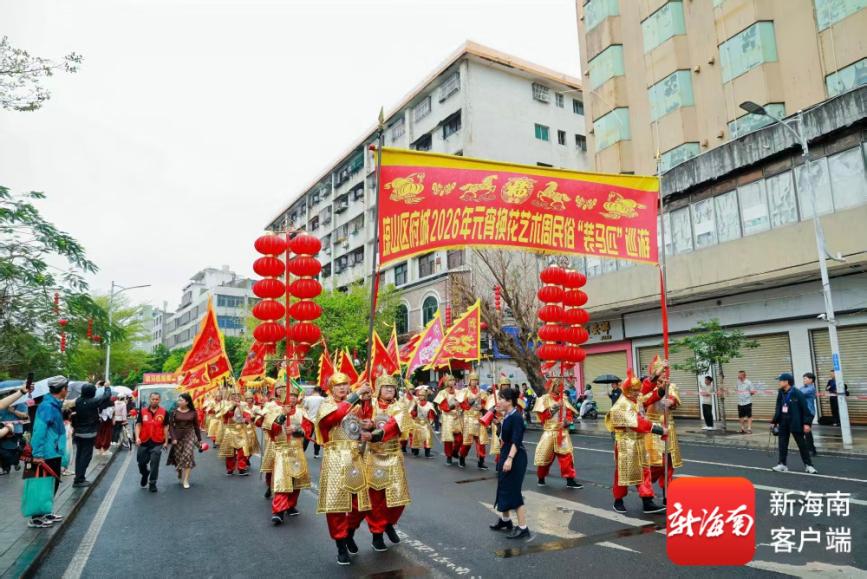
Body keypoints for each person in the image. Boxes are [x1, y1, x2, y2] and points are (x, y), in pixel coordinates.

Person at [315, 372, 373, 566]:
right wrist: (356, 394)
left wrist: (367, 425)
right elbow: (335, 417)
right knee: (337, 507)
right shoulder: (326, 405)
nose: (342, 388)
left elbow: (362, 426)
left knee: (362, 503)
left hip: (355, 457)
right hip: (335, 458)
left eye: (345, 385)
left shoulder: (355, 405)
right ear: (331, 389)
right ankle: (340, 545)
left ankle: (349, 532)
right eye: (338, 385)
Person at [605, 371, 667, 514]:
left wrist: (660, 384)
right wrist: (658, 430)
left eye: (637, 391)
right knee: (623, 473)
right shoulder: (621, 405)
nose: (637, 393)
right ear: (627, 391)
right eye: (634, 391)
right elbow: (637, 423)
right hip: (625, 442)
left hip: (639, 441)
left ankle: (647, 501)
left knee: (644, 471)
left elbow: (647, 393)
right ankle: (618, 500)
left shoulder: (635, 398)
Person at [362, 375, 411, 552]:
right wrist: (363, 405)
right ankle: (377, 534)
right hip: (373, 456)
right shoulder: (369, 404)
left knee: (399, 497)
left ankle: (389, 522)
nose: (390, 389)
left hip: (393, 455)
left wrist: (375, 433)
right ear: (378, 389)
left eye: (392, 387)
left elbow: (394, 426)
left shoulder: (400, 406)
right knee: (376, 497)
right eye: (386, 387)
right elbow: (355, 420)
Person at [266, 387, 312, 525]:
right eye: (289, 395)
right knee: (282, 481)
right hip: (281, 450)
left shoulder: (301, 411)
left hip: (297, 449)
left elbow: (308, 430)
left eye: (294, 395)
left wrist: (297, 430)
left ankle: (291, 505)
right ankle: (278, 511)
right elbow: (271, 431)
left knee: (296, 481)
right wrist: (281, 416)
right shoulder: (275, 411)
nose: (292, 398)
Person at [489, 387, 530, 539]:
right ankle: (505, 520)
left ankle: (523, 527)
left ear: (509, 401)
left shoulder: (516, 417)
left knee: (513, 490)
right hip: (506, 453)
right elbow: (505, 435)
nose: (498, 401)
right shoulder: (507, 415)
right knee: (503, 487)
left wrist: (510, 459)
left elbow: (516, 440)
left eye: (501, 399)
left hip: (515, 457)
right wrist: (498, 424)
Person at [28, 376, 69, 528]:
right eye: (67, 388)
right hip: (44, 453)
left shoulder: (54, 404)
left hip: (53, 451)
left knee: (50, 484)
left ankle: (45, 511)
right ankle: (36, 517)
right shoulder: (47, 406)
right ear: (63, 389)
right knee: (40, 485)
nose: (68, 390)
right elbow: (39, 431)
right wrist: (37, 454)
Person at [640, 358, 681, 505]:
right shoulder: (647, 387)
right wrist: (660, 392)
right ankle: (647, 497)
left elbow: (675, 398)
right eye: (661, 371)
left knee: (669, 464)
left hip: (668, 426)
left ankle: (668, 496)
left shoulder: (671, 385)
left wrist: (671, 401)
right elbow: (644, 400)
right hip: (653, 428)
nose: (664, 374)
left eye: (665, 370)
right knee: (653, 465)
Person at [533, 378, 582, 489]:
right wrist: (555, 407)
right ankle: (541, 478)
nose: (560, 387)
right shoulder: (544, 399)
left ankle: (570, 480)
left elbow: (569, 414)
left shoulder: (564, 398)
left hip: (562, 433)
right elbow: (543, 417)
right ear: (552, 386)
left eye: (561, 385)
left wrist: (567, 422)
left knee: (567, 457)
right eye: (558, 385)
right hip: (549, 432)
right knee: (544, 458)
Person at [772, 373, 817, 474]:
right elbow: (778, 407)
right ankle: (782, 464)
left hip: (795, 422)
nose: (779, 382)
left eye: (780, 380)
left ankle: (808, 465)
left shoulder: (797, 393)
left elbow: (805, 409)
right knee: (782, 444)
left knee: (801, 444)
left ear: (786, 382)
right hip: (783, 422)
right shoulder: (781, 392)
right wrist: (774, 421)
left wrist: (807, 423)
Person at [71, 381, 112, 487]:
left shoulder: (78, 401)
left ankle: (78, 477)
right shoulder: (93, 402)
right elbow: (106, 396)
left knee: (79, 456)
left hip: (78, 433)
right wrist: (107, 387)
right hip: (89, 433)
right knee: (86, 456)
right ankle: (79, 479)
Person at [166, 393, 203, 489]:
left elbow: (196, 427)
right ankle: (179, 469)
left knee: (187, 455)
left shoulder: (193, 413)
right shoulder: (174, 412)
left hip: (189, 435)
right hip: (177, 436)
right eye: (178, 400)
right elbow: (170, 426)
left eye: (181, 400)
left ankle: (185, 480)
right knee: (178, 456)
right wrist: (173, 438)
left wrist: (199, 440)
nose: (179, 402)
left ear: (187, 402)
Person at [135, 392, 168, 492]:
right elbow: (138, 425)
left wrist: (166, 441)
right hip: (144, 441)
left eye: (157, 399)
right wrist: (137, 437)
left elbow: (166, 427)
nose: (154, 401)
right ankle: (145, 473)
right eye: (153, 399)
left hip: (157, 441)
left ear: (159, 400)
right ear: (150, 399)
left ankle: (152, 482)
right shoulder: (143, 411)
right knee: (141, 463)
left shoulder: (164, 412)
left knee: (155, 462)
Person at [458, 372, 488, 470]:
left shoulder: (482, 392)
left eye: (476, 380)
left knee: (481, 441)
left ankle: (481, 461)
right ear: (469, 381)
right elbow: (462, 405)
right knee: (467, 442)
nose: (474, 382)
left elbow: (485, 404)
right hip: (468, 418)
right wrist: (471, 401)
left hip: (479, 418)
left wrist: (482, 406)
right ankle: (462, 457)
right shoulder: (464, 391)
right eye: (473, 380)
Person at [218, 392, 253, 476]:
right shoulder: (226, 405)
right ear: (230, 397)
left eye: (237, 395)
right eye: (233, 395)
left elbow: (248, 414)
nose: (235, 397)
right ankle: (230, 469)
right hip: (230, 429)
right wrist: (233, 407)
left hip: (241, 429)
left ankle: (241, 468)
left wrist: (246, 418)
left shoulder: (243, 405)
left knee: (243, 450)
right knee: (230, 451)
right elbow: (226, 415)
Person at [433, 375, 463, 466]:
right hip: (447, 418)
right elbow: (444, 407)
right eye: (450, 380)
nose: (452, 382)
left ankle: (455, 451)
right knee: (448, 440)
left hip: (457, 417)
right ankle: (449, 456)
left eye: (453, 380)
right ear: (446, 382)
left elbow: (463, 404)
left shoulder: (458, 392)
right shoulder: (442, 393)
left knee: (459, 438)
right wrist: (454, 405)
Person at [409, 386, 435, 458]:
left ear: (425, 396)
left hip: (426, 423)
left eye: (422, 395)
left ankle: (427, 453)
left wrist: (431, 421)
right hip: (417, 423)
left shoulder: (429, 404)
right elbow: (413, 414)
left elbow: (431, 414)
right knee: (416, 438)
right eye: (419, 395)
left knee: (427, 438)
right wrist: (414, 408)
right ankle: (416, 451)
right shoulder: (416, 404)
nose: (420, 397)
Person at [799, 373, 818, 456]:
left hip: (809, 412)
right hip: (802, 412)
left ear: (811, 380)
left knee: (806, 431)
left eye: (805, 378)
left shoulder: (811, 388)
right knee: (803, 431)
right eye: (803, 379)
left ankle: (812, 450)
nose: (804, 380)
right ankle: (809, 448)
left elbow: (799, 393)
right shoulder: (802, 388)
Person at [302, 387, 325, 458]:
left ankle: (302, 452)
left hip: (309, 420)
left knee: (307, 437)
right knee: (317, 438)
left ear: (314, 391)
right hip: (319, 420)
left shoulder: (307, 398)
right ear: (320, 392)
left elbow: (304, 408)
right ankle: (316, 453)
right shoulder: (323, 399)